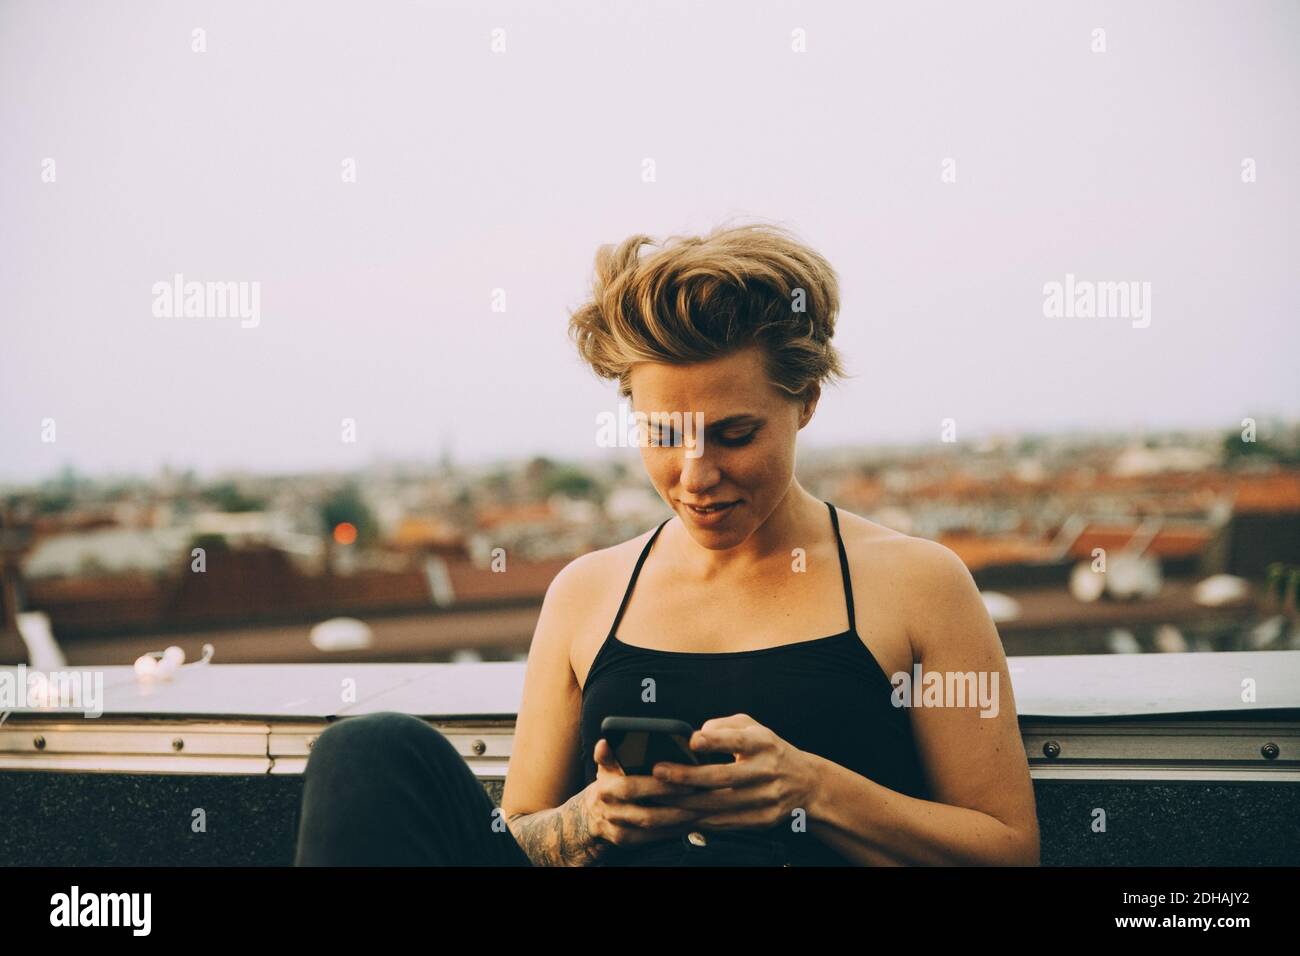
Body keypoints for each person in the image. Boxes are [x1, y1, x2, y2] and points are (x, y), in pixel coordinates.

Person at [295, 221, 1040, 867]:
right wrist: (591, 819)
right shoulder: (586, 593)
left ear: (806, 402)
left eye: (735, 434)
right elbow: (518, 835)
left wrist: (813, 789)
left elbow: (1008, 848)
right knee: (365, 750)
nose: (696, 476)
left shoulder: (919, 584)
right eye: (662, 435)